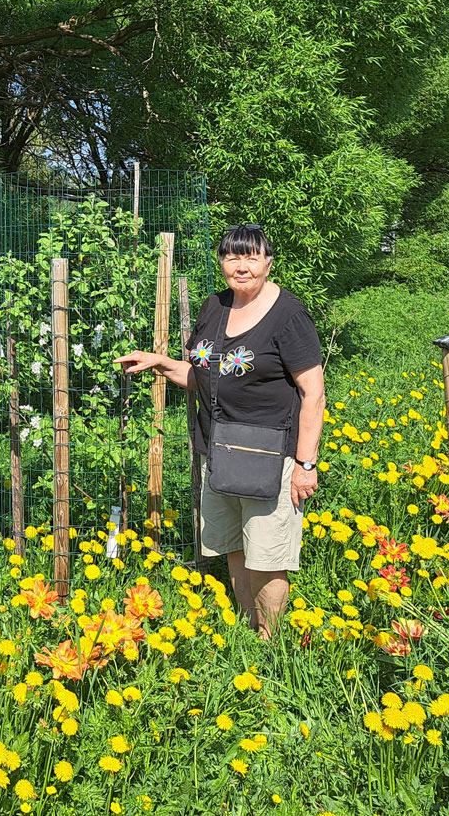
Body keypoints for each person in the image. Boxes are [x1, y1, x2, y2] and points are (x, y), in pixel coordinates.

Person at [116, 225, 324, 638]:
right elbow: (201, 375)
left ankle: (272, 640)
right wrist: (157, 361)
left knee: (267, 554)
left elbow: (313, 393)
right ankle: (248, 629)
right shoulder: (216, 306)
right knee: (233, 544)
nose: (241, 267)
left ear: (268, 262)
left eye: (251, 258)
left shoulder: (289, 315)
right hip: (220, 450)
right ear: (222, 262)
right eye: (232, 257)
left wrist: (305, 463)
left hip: (271, 455)